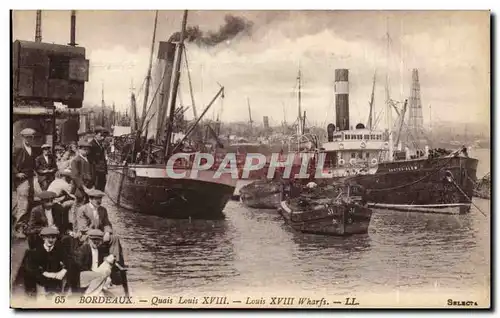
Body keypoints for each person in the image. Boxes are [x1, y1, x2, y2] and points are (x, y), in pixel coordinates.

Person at [74, 189, 124, 267]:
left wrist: (107, 232)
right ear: (90, 199)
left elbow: (107, 223)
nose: (99, 201)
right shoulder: (83, 209)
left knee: (115, 238)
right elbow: (83, 227)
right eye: (96, 198)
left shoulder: (103, 210)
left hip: (100, 235)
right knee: (93, 238)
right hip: (86, 235)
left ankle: (115, 260)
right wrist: (100, 234)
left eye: (100, 198)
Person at [23, 226, 70, 298]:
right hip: (41, 283)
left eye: (53, 237)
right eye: (48, 237)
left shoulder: (60, 250)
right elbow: (31, 268)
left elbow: (69, 261)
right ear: (43, 238)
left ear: (56, 238)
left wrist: (63, 271)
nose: (51, 240)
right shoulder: (35, 252)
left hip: (56, 283)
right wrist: (46, 273)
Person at [74, 229, 116, 296]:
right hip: (84, 275)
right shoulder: (83, 249)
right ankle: (89, 293)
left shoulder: (101, 249)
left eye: (98, 240)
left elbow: (108, 258)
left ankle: (96, 291)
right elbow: (79, 265)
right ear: (90, 240)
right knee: (102, 278)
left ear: (101, 241)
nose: (96, 242)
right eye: (94, 240)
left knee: (107, 269)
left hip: (96, 274)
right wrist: (92, 273)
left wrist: (108, 259)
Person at [12, 128, 37, 239]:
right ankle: (18, 229)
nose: (29, 139)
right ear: (23, 137)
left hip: (30, 178)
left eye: (31, 137)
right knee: (23, 204)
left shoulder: (31, 149)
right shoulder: (18, 149)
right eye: (27, 137)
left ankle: (23, 226)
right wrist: (16, 173)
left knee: (29, 202)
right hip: (22, 180)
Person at [71, 140, 95, 207]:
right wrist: (83, 187)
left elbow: (92, 173)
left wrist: (92, 185)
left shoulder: (89, 160)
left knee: (87, 205)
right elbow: (75, 176)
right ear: (79, 149)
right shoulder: (76, 160)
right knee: (79, 205)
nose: (86, 151)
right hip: (80, 187)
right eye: (84, 149)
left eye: (87, 149)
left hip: (89, 186)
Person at [89, 126, 109, 191]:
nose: (103, 138)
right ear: (95, 135)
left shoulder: (100, 145)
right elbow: (90, 160)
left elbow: (103, 159)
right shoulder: (91, 145)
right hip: (95, 172)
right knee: (96, 189)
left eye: (104, 136)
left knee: (102, 186)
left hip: (101, 172)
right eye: (101, 135)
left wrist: (105, 170)